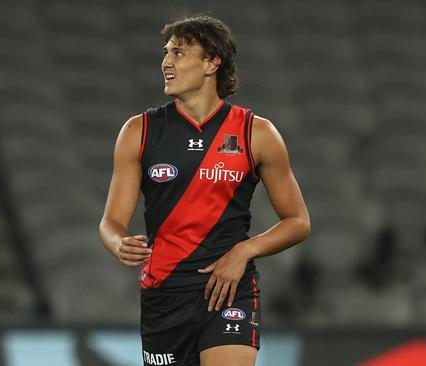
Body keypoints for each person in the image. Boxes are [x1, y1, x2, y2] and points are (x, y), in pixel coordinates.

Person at [99, 15, 310, 366]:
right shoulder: (139, 131)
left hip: (229, 290)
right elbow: (110, 222)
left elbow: (299, 221)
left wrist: (244, 252)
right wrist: (118, 243)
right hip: (165, 294)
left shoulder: (255, 133)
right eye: (166, 53)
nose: (166, 62)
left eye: (179, 53)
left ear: (212, 62)